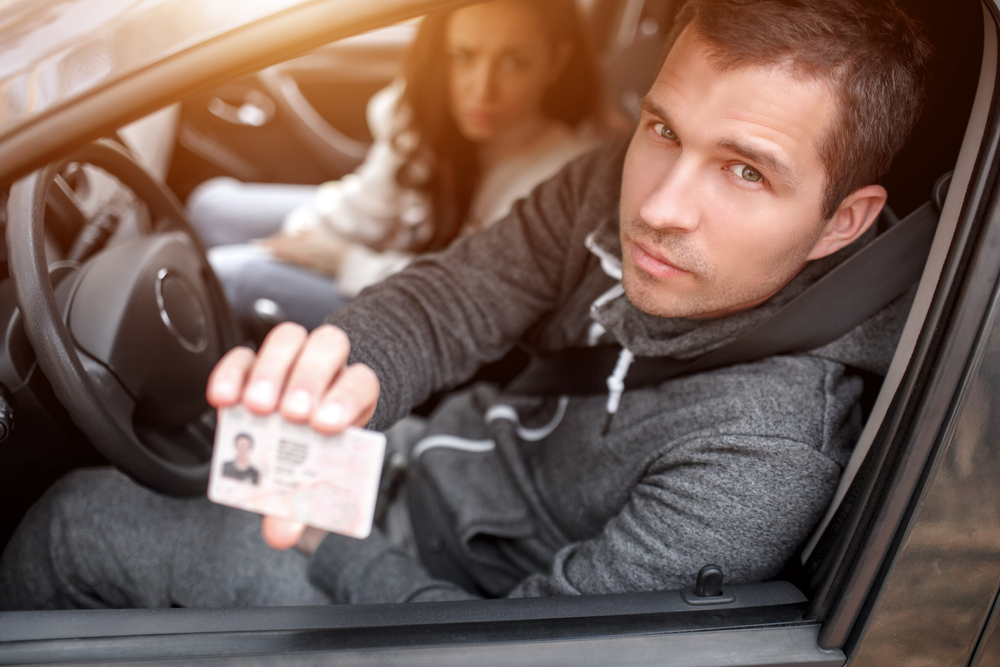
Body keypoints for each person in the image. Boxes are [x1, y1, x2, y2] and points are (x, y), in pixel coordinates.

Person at [0, 0, 933, 608]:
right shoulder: (604, 184)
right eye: (662, 128)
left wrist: (334, 541)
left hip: (409, 587)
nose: (656, 204)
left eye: (743, 170)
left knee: (77, 518)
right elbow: (464, 294)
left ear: (839, 222)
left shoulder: (761, 461)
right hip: (381, 469)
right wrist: (347, 364)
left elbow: (518, 641)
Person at [188, 0, 605, 330]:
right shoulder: (429, 114)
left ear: (556, 62)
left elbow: (472, 299)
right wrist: (301, 236)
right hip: (397, 255)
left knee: (226, 277)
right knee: (210, 206)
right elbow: (366, 208)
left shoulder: (560, 178)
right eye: (462, 56)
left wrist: (348, 262)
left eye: (513, 62)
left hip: (435, 318)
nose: (481, 89)